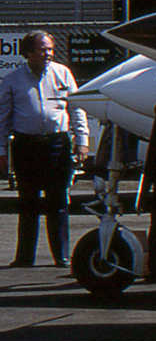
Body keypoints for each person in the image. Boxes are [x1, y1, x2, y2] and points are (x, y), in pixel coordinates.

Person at [0, 31, 89, 267]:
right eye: (42, 49)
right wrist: (1, 151)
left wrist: (82, 140)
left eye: (50, 49)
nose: (48, 54)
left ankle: (61, 255)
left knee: (58, 200)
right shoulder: (12, 79)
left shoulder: (63, 73)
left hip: (57, 145)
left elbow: (77, 108)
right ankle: (24, 257)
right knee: (27, 201)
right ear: (29, 53)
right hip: (26, 146)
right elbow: (2, 118)